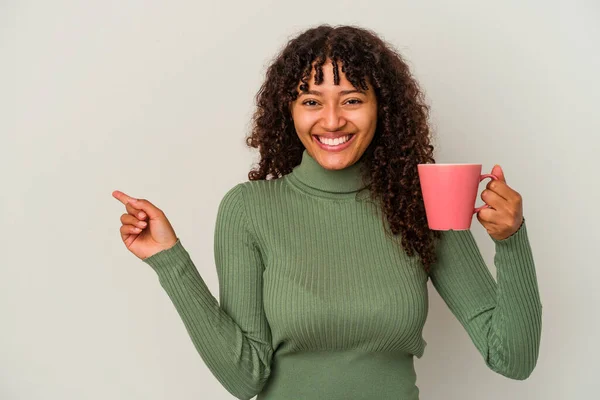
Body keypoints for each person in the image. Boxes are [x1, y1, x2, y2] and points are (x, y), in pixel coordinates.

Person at [112, 24, 542, 400]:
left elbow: (512, 358)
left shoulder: (422, 204)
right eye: (312, 101)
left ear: (382, 109)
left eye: (352, 100)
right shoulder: (249, 209)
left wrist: (512, 239)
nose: (332, 121)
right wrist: (169, 260)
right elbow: (245, 378)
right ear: (289, 110)